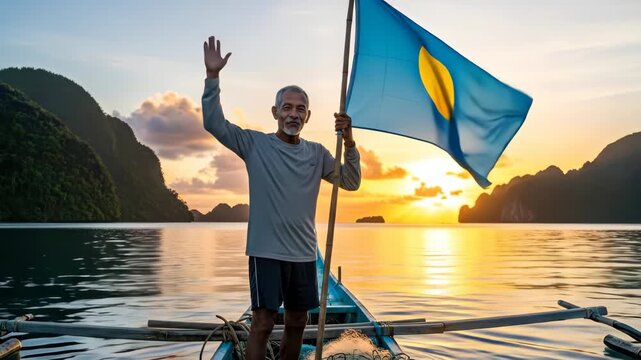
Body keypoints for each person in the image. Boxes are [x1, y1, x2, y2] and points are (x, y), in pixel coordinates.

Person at [202, 36, 361, 360]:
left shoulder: (317, 153)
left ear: (308, 116)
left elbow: (351, 181)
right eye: (287, 107)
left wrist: (349, 142)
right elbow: (213, 123)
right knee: (261, 323)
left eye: (300, 109)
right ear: (275, 112)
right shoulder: (254, 145)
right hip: (266, 251)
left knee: (298, 321)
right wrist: (213, 77)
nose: (293, 114)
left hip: (303, 252)